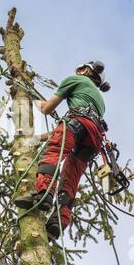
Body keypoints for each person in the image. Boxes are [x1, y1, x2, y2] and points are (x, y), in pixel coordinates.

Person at [14, 60, 110, 240]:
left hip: (75, 123)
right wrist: (36, 138)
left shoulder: (74, 79)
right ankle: (58, 222)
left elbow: (47, 109)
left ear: (84, 70)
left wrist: (32, 97)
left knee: (52, 154)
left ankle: (43, 195)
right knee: (70, 178)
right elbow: (67, 132)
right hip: (93, 139)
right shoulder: (99, 101)